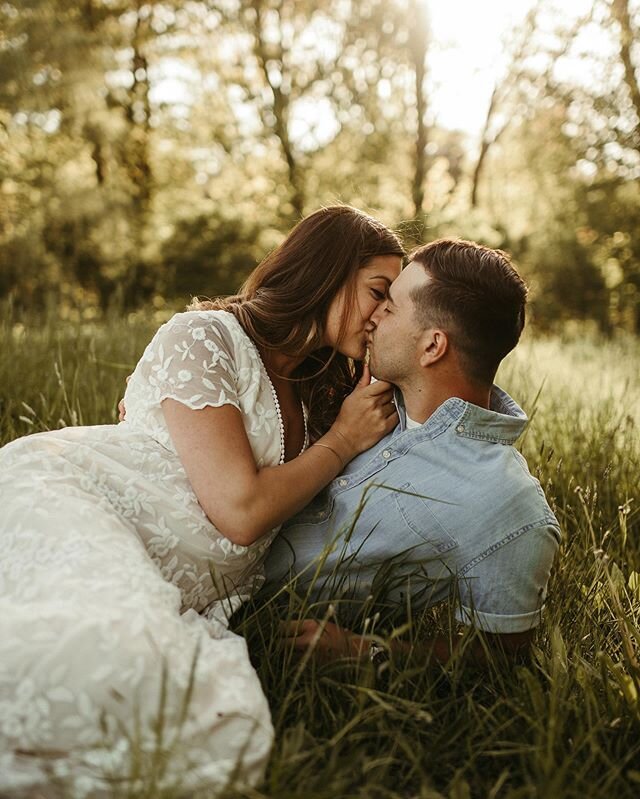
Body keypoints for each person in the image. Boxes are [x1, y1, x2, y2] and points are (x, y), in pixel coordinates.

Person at [0, 206, 404, 796]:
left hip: (170, 574)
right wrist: (342, 441)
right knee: (92, 656)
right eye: (378, 292)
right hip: (73, 494)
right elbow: (240, 512)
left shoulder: (325, 388)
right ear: (327, 271)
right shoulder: (204, 337)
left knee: (169, 701)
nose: (382, 314)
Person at [268, 238, 561, 665]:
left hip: (240, 617)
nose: (373, 317)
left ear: (432, 346)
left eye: (390, 307)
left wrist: (364, 652)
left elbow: (503, 656)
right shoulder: (356, 390)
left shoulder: (505, 504)